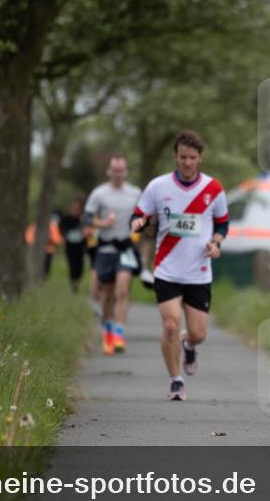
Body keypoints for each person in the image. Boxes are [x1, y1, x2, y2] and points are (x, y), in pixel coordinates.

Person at [130, 130, 229, 401]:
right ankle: (176, 380)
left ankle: (189, 344)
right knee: (170, 325)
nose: (187, 163)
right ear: (176, 157)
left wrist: (216, 243)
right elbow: (139, 213)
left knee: (198, 333)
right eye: (183, 157)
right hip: (167, 269)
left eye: (193, 158)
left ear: (200, 158)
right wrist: (137, 222)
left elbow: (222, 223)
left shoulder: (213, 189)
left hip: (198, 271)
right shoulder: (158, 187)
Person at [85, 154, 142, 356]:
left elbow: (143, 215)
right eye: (115, 170)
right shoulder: (99, 194)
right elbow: (87, 219)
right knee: (107, 294)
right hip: (105, 249)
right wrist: (102, 224)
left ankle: (118, 334)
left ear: (126, 172)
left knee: (122, 290)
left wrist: (140, 223)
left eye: (121, 170)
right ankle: (107, 331)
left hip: (126, 248)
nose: (118, 174)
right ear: (109, 171)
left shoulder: (135, 193)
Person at [59, 196, 88, 293]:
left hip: (80, 246)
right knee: (72, 265)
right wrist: (65, 236)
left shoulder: (82, 219)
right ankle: (72, 283)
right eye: (74, 208)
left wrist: (85, 234)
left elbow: (87, 230)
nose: (75, 210)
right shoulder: (65, 218)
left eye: (77, 209)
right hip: (70, 246)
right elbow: (61, 230)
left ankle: (77, 281)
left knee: (80, 267)